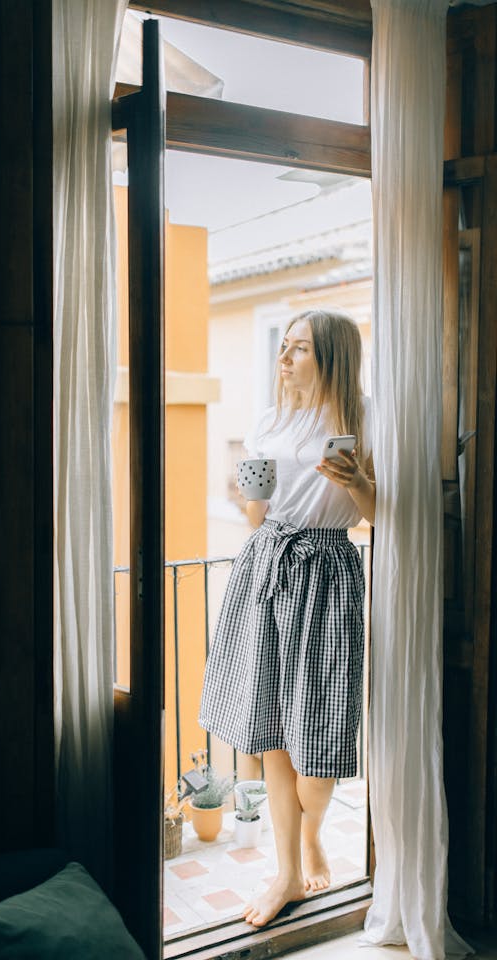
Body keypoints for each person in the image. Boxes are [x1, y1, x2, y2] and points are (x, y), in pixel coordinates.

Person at [198, 308, 375, 928]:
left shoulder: (363, 420)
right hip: (267, 567)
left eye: (299, 349)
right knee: (273, 730)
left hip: (326, 578)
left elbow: (378, 516)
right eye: (285, 346)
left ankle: (310, 832)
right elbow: (256, 515)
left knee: (319, 745)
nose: (285, 358)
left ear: (331, 357)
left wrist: (358, 482)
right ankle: (288, 872)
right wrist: (252, 492)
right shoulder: (271, 422)